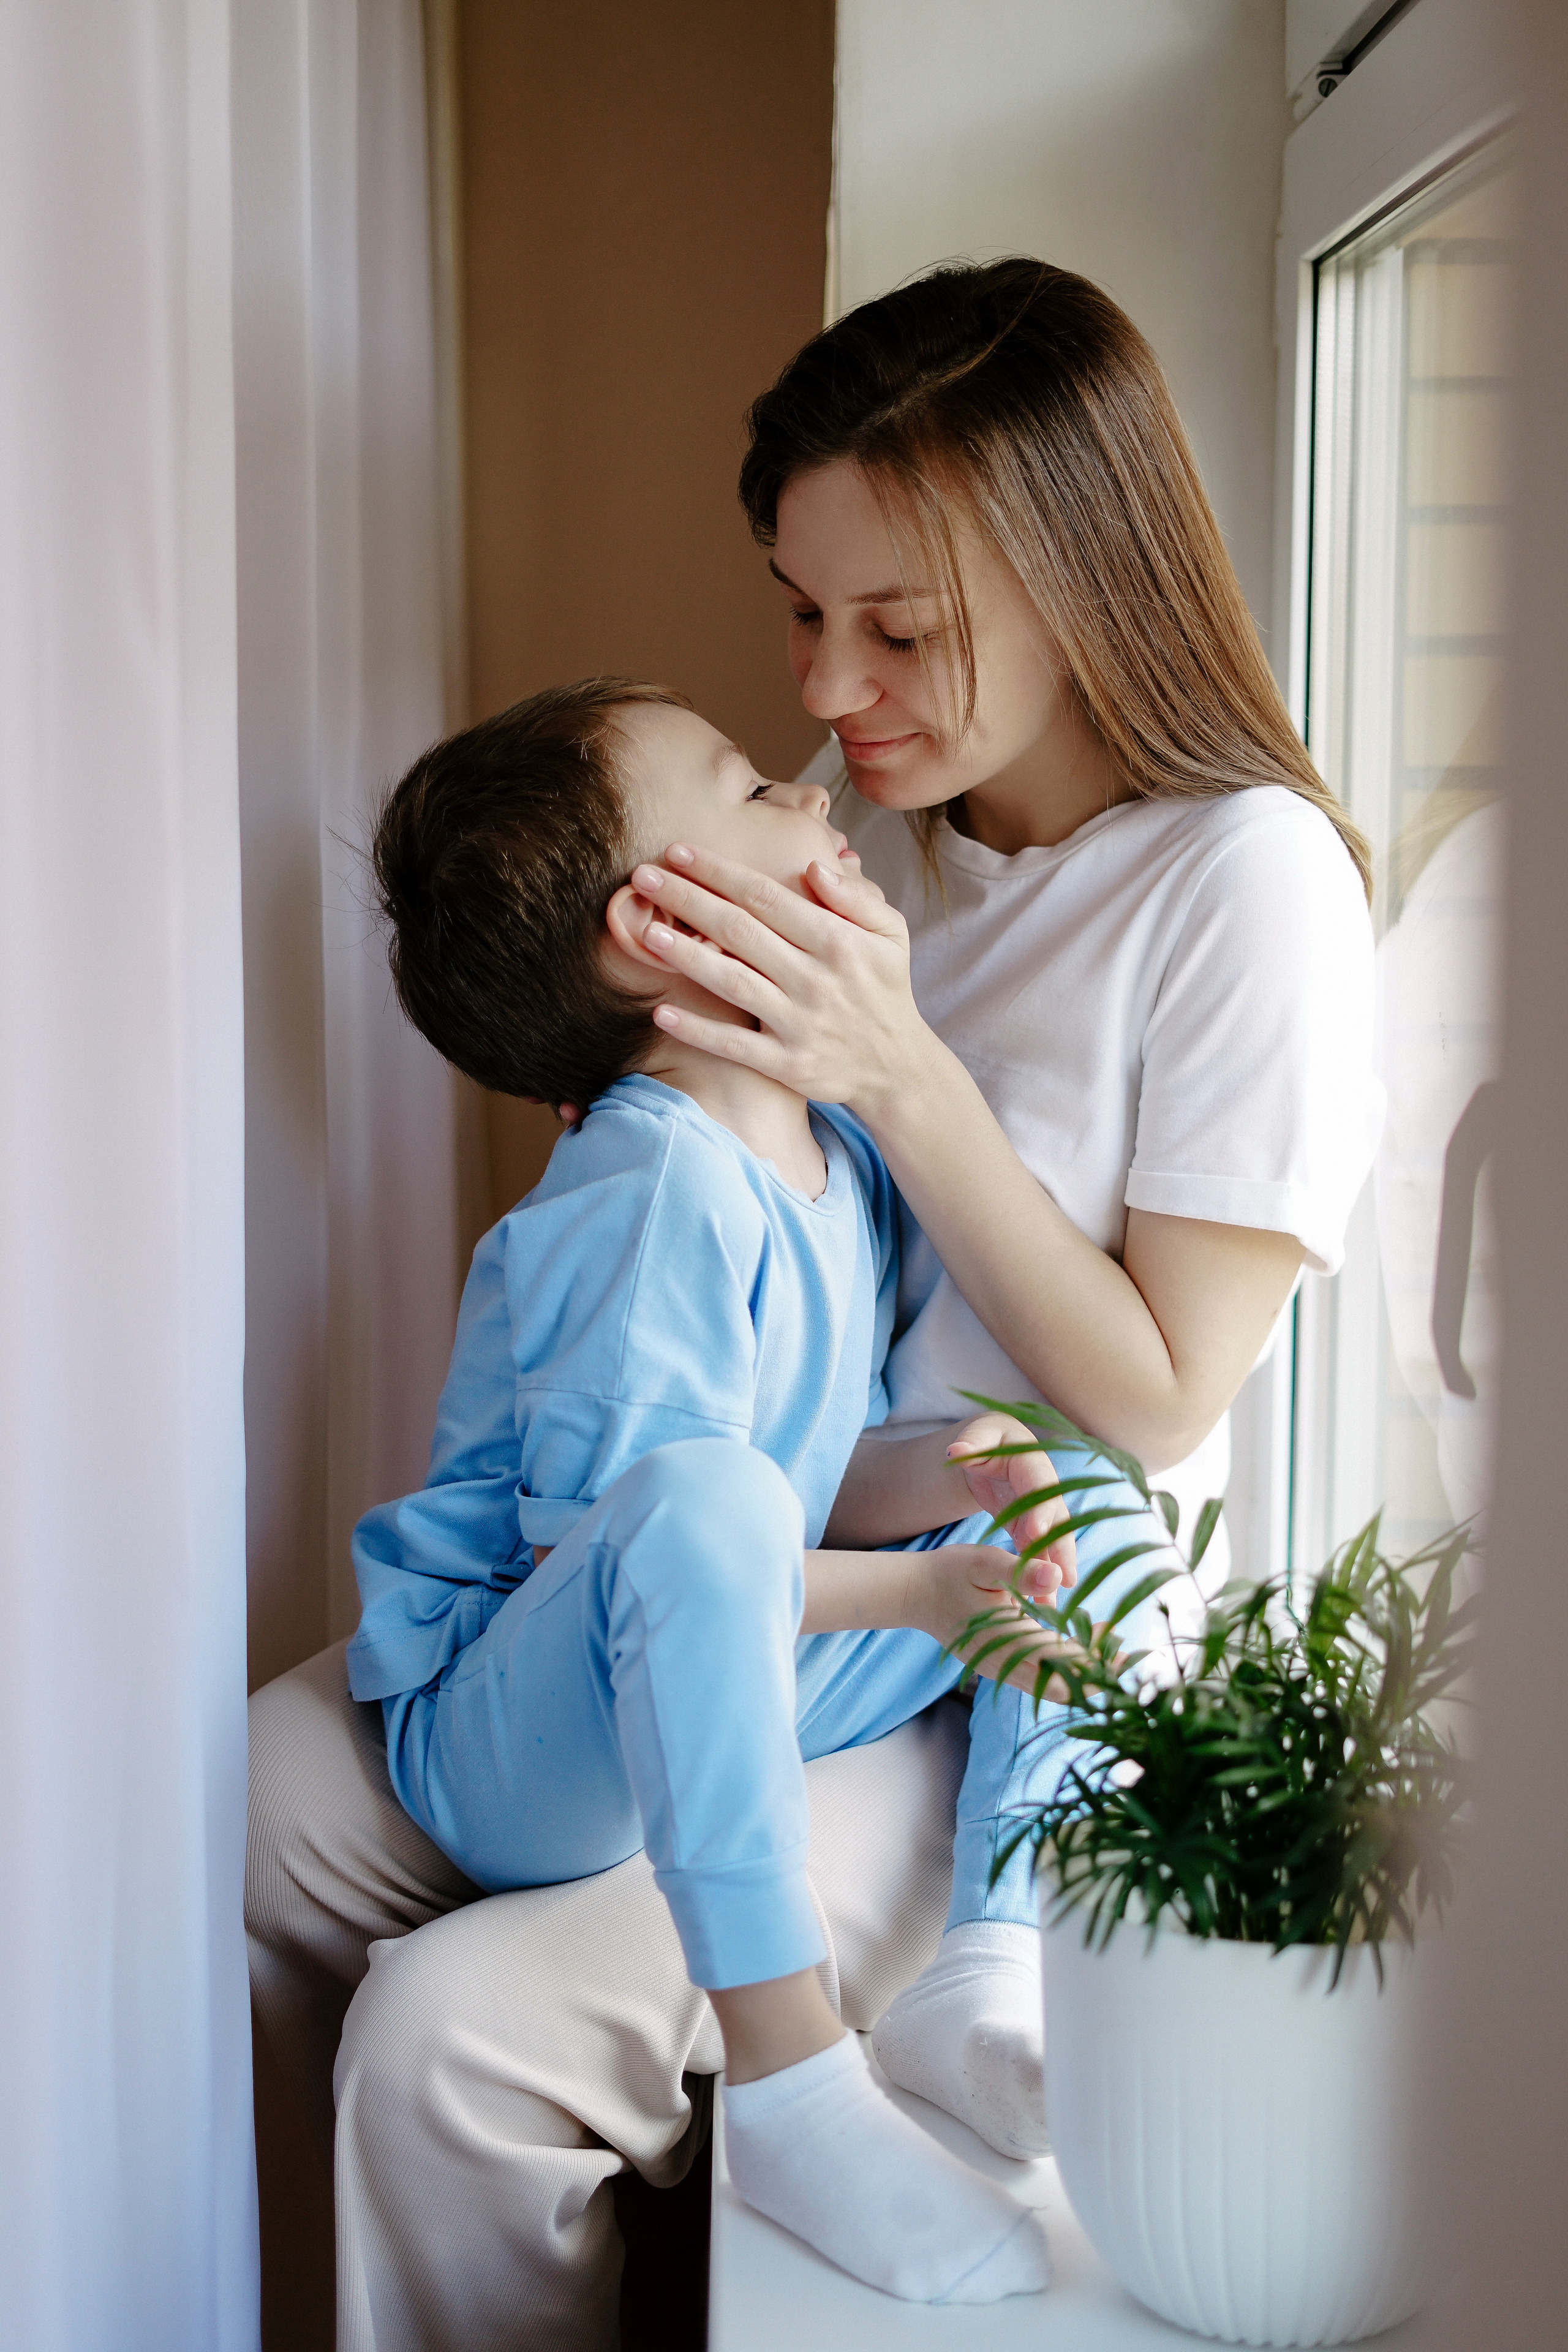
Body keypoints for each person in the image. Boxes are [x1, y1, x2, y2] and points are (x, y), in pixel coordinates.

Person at [245, 258, 1382, 2350]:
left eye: (901, 630)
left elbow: (1158, 1399)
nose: (831, 703)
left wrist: (904, 1076)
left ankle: (841, 2032)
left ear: (1077, 577)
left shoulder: (1249, 888)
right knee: (220, 1812)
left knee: (445, 2044)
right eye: (800, 609)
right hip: (776, 1539)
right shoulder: (894, 832)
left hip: (972, 1635)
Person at [350, 673, 1080, 2301]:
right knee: (707, 1509)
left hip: (716, 1651)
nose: (815, 797)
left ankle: (991, 1955)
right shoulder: (649, 1186)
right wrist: (910, 1590)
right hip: (513, 1733)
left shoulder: (829, 1146)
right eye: (753, 788)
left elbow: (800, 1484)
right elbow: (652, 1558)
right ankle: (796, 2073)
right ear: (656, 931)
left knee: (1064, 1477)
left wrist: (962, 1482)